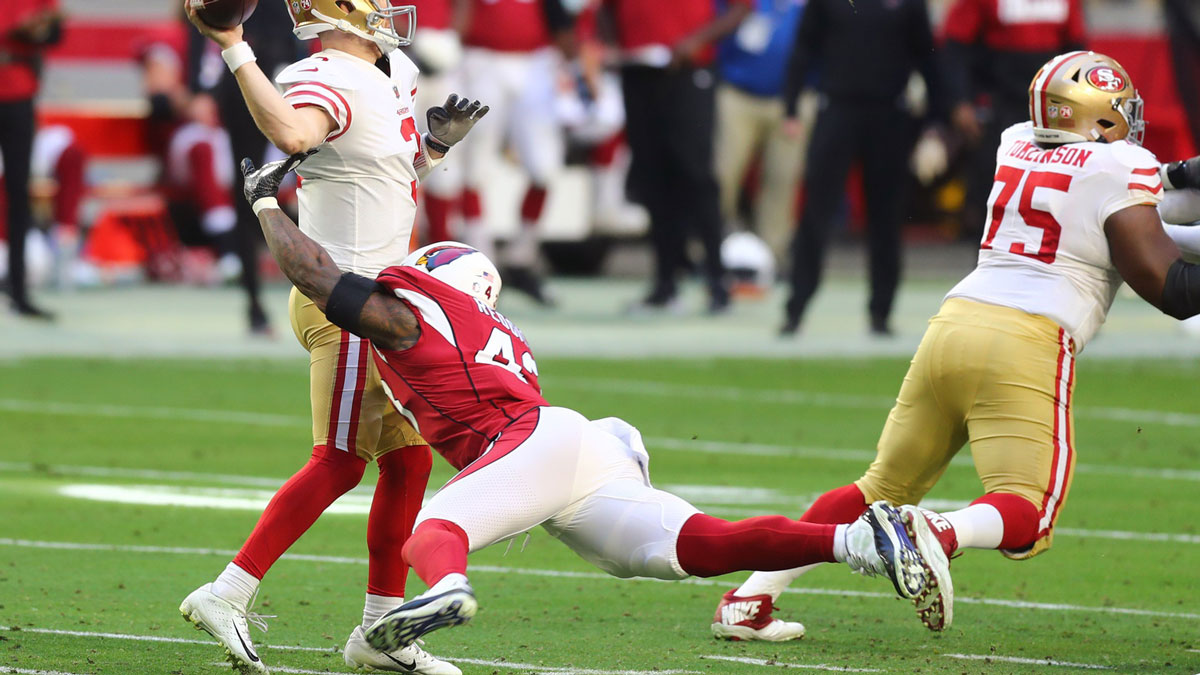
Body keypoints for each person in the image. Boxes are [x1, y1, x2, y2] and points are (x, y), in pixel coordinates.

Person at [234, 150, 950, 654]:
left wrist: (266, 201)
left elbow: (315, 272)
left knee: (434, 528)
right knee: (697, 547)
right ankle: (855, 541)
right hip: (573, 449)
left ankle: (445, 589)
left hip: (531, 444)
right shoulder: (497, 331)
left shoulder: (417, 314)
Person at [712, 50, 1200, 640]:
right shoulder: (1121, 167)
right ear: (1096, 117)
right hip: (1028, 339)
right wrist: (1168, 179)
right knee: (1027, 512)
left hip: (953, 325)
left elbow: (1124, 204)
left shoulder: (1016, 140)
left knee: (877, 489)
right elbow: (1169, 284)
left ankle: (748, 598)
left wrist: (1176, 176)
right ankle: (937, 533)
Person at [177, 2, 486, 673]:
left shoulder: (387, 72)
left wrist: (432, 149)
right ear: (342, 12)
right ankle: (226, 591)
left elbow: (381, 178)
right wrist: (232, 44)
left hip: (382, 298)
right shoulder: (325, 73)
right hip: (344, 297)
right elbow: (292, 134)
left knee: (408, 464)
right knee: (341, 460)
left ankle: (381, 633)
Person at [780, 0, 940, 336]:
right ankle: (796, 306)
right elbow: (804, 45)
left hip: (890, 113)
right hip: (836, 108)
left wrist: (936, 122)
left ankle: (881, 311)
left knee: (886, 217)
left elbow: (927, 54)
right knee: (816, 211)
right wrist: (791, 105)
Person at [590, 0, 752, 313]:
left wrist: (697, 41)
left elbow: (742, 8)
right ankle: (666, 283)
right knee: (653, 179)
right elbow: (604, 11)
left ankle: (717, 280)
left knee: (696, 175)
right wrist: (613, 46)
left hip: (690, 71)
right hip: (639, 72)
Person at [455, 0, 573, 305]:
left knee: (545, 169)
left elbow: (563, 19)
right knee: (475, 166)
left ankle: (522, 256)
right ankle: (480, 264)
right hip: (482, 58)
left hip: (536, 61)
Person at [942, 0, 1086, 240]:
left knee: (1053, 186)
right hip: (1000, 101)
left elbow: (1076, 49)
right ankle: (990, 260)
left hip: (1049, 102)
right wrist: (959, 101)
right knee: (996, 188)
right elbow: (956, 46)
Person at [713, 0, 810, 266]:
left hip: (794, 98)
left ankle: (771, 255)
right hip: (739, 90)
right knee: (722, 173)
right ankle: (708, 249)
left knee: (782, 179)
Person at [0, 0, 60, 319]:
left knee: (18, 193)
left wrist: (40, 28)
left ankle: (19, 290)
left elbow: (55, 33)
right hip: (16, 87)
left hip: (17, 92)